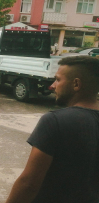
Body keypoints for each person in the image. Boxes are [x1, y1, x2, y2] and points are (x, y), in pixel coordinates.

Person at [6, 56, 99, 203]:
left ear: (76, 84)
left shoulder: (55, 121)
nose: (52, 85)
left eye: (58, 79)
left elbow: (29, 184)